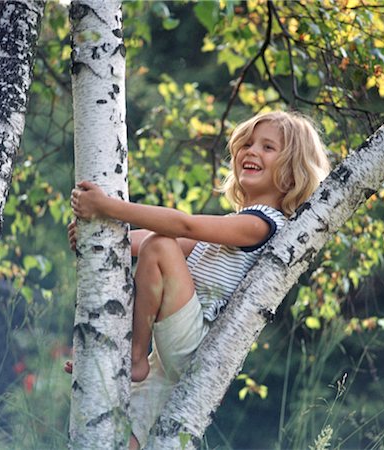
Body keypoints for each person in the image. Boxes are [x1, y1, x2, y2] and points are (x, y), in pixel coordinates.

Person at [67, 111, 330, 449]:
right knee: (127, 436)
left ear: (292, 171)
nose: (252, 152)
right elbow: (147, 241)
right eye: (247, 144)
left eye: (268, 147)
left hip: (194, 344)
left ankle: (132, 356)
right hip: (170, 358)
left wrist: (109, 207)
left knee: (159, 246)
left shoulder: (264, 225)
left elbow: (180, 230)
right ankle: (111, 360)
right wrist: (95, 236)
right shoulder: (234, 224)